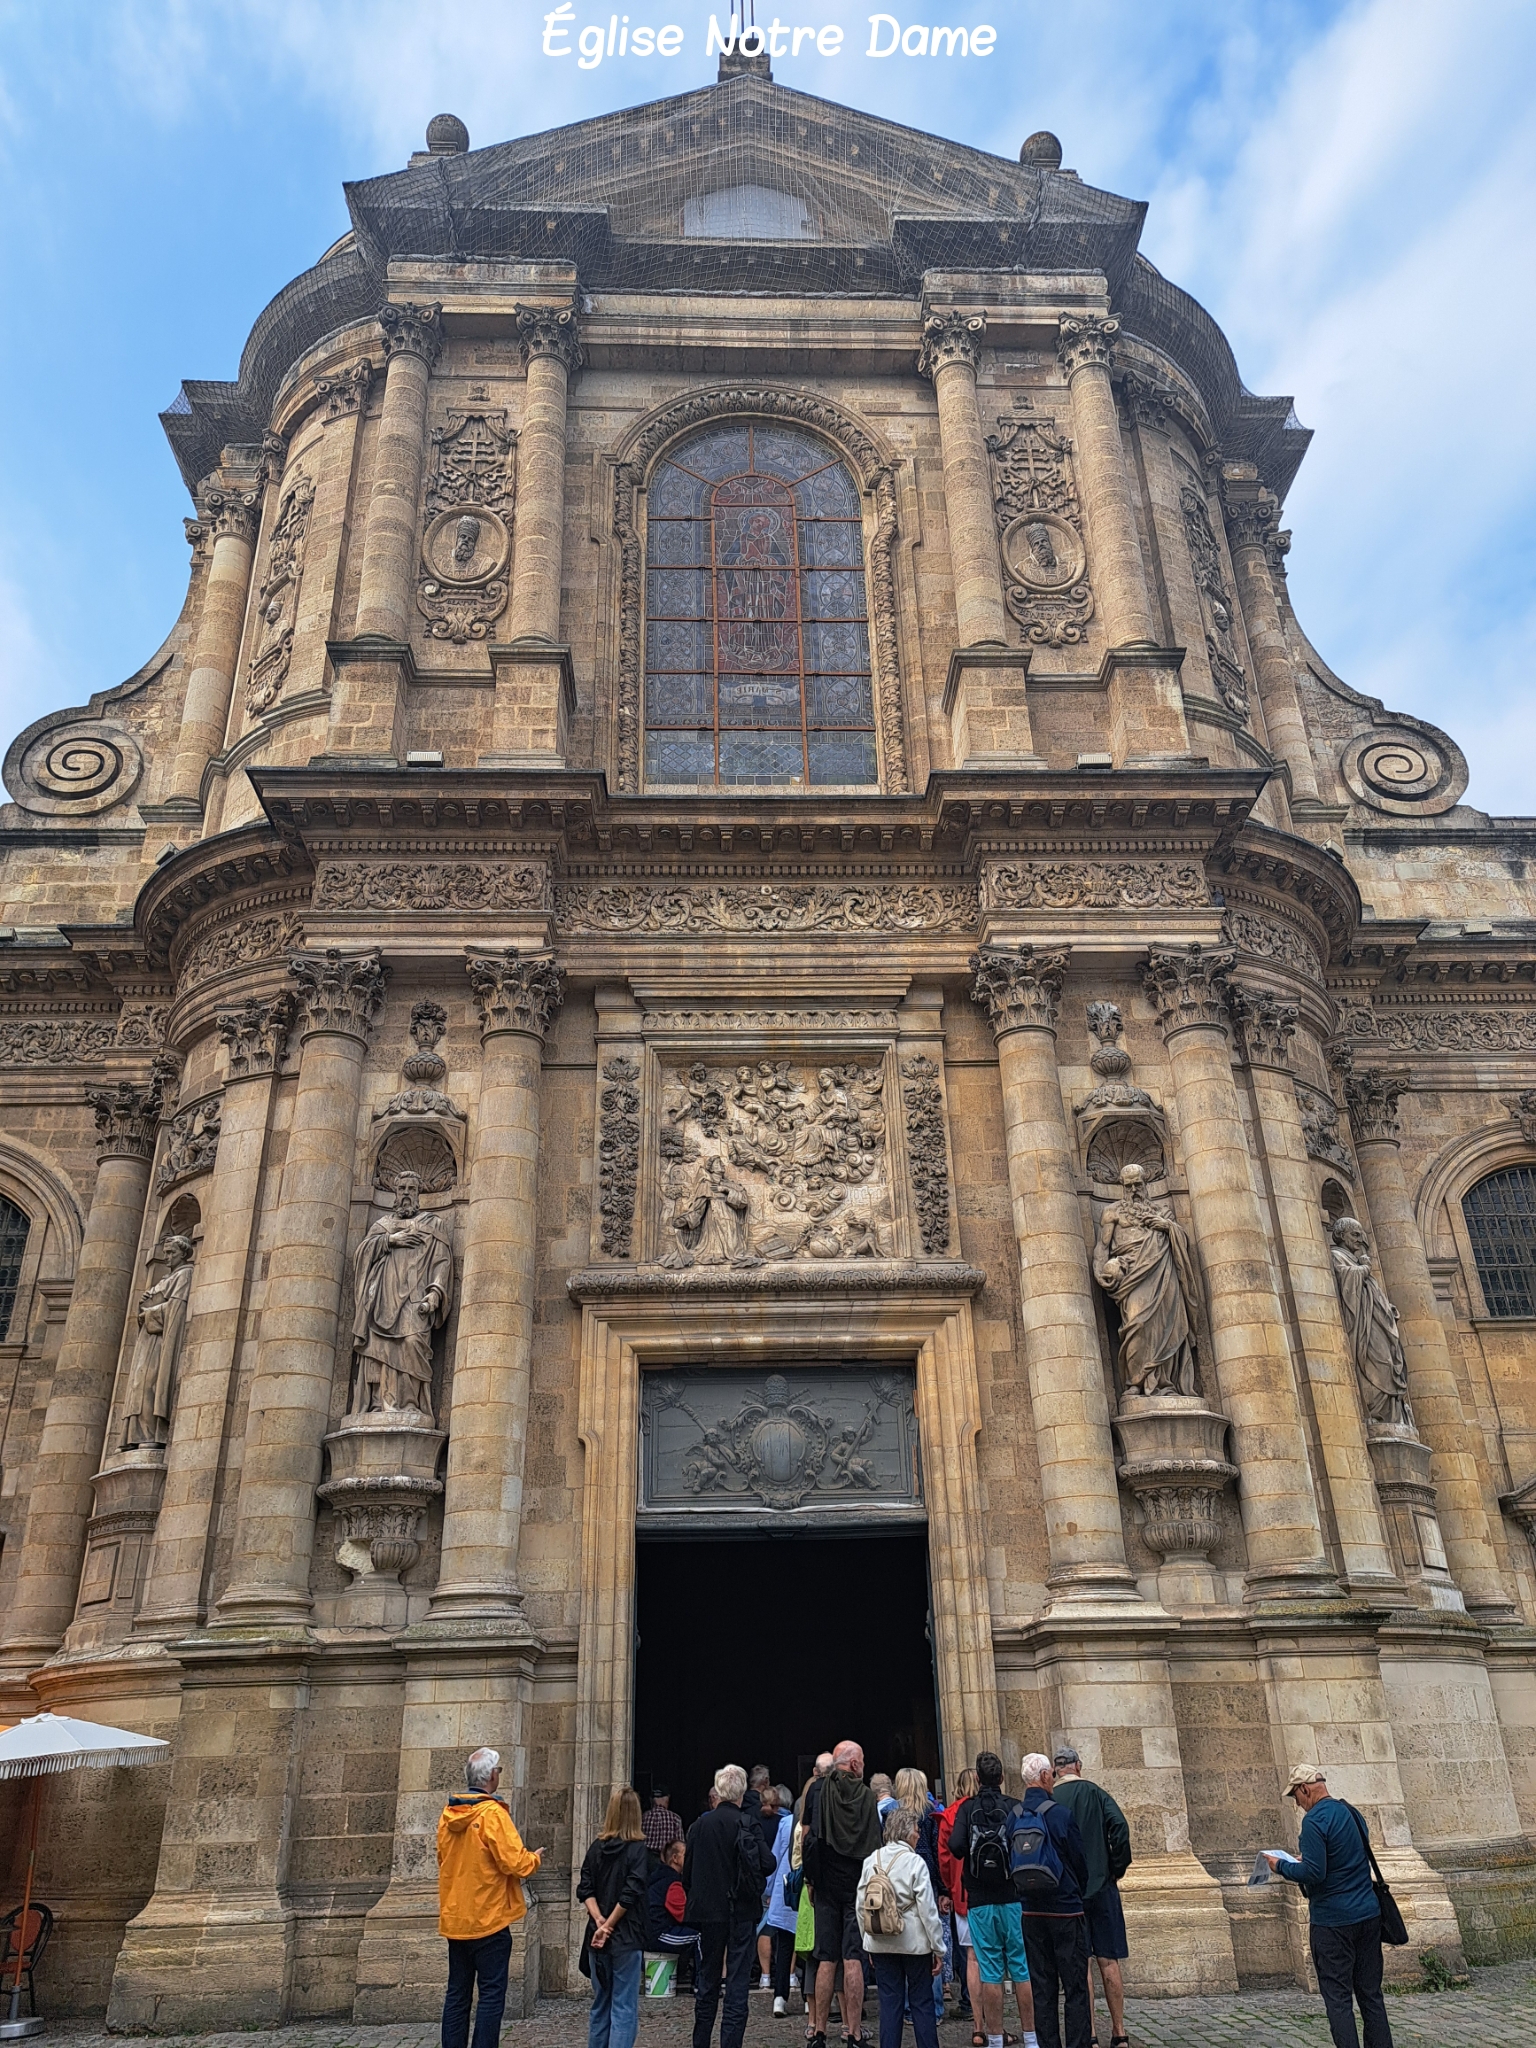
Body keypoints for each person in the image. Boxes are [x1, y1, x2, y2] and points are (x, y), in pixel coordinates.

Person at [1264, 1767, 1395, 2048]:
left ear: (1305, 1789)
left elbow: (1314, 1873)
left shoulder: (1314, 1822)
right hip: (1368, 1916)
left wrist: (1282, 1866)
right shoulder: (1351, 1812)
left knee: (1338, 2000)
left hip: (1333, 1923)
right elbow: (1347, 1856)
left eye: (1295, 1797)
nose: (1297, 1804)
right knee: (1371, 1995)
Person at [437, 1747, 543, 2048]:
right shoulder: (492, 1814)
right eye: (499, 1771)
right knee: (491, 1995)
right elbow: (514, 1862)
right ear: (492, 1776)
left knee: (457, 1994)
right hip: (489, 1918)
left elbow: (443, 1858)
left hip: (457, 1918)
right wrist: (534, 1859)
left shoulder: (449, 1815)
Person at [947, 1754, 1036, 2048]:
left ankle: (995, 2038)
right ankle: (1031, 2037)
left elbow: (956, 1847)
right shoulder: (1014, 1806)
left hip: (980, 1900)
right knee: (1021, 1969)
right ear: (1000, 1778)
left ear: (976, 1779)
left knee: (990, 1972)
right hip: (1012, 1897)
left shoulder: (968, 1808)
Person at [684, 1762, 776, 2048]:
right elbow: (768, 1863)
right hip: (742, 1910)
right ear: (741, 1793)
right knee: (736, 1984)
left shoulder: (700, 1825)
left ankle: (701, 2041)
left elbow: (687, 1874)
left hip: (710, 1912)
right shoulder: (747, 1823)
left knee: (708, 1979)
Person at [1047, 1749, 1131, 2048]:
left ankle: (1091, 2033)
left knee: (1080, 1964)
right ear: (1078, 1767)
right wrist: (1115, 1867)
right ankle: (1119, 2032)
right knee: (1109, 1959)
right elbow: (1119, 1827)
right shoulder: (1095, 1792)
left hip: (1069, 1891)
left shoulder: (1051, 1799)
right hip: (1102, 1887)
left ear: (1055, 1770)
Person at [805, 1739, 882, 2048]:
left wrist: (811, 1880)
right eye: (861, 1761)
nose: (863, 1765)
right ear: (853, 1764)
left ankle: (819, 2032)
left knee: (826, 1958)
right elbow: (875, 1843)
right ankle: (853, 2031)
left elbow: (809, 1840)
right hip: (856, 1885)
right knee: (853, 1958)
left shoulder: (818, 1790)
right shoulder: (866, 1797)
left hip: (825, 1884)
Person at [1015, 1756, 1090, 2048]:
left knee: (1042, 1988)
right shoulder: (1060, 1814)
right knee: (1074, 1988)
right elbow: (1079, 1861)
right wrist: (1076, 1892)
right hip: (1065, 1910)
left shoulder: (1015, 1815)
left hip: (1030, 1911)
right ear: (1046, 1776)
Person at [858, 1808, 945, 2048]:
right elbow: (928, 1911)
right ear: (908, 1833)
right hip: (915, 1944)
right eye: (917, 1830)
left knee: (889, 2004)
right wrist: (938, 1948)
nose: (918, 1835)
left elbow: (860, 1906)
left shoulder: (871, 1860)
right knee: (922, 2003)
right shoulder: (915, 1863)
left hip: (880, 1942)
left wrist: (868, 1941)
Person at [578, 1786, 652, 2048]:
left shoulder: (596, 1848)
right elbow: (631, 1893)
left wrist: (598, 1920)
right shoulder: (637, 1850)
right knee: (623, 2006)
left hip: (597, 1937)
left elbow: (585, 1887)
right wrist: (607, 1925)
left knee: (601, 2004)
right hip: (626, 1936)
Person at [894, 1769, 947, 2023]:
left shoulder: (893, 1813)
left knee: (903, 1937)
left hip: (900, 1880)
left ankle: (907, 2007)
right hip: (926, 1877)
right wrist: (942, 1888)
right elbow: (938, 1851)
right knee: (929, 1938)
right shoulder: (930, 1812)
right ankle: (934, 2006)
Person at [937, 1768, 980, 2033]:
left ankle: (969, 2001)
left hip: (962, 1891)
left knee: (968, 1952)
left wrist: (949, 1887)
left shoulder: (951, 1814)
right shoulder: (988, 1810)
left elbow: (944, 1856)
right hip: (993, 1892)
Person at [648, 1837, 703, 1994]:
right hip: (660, 1933)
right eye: (685, 1854)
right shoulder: (672, 1882)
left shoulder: (658, 1877)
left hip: (652, 1931)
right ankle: (700, 1984)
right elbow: (682, 1915)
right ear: (675, 1858)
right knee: (700, 1937)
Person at [763, 1791, 801, 2013]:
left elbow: (775, 1857)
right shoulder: (817, 1823)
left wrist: (768, 1888)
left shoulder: (786, 1824)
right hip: (807, 1891)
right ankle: (809, 1999)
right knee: (810, 1948)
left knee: (784, 1946)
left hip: (786, 1890)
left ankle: (780, 1997)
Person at [644, 1785, 685, 1857]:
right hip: (668, 1859)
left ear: (652, 1800)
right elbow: (680, 1845)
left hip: (647, 1859)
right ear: (666, 1800)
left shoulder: (644, 1817)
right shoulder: (675, 1818)